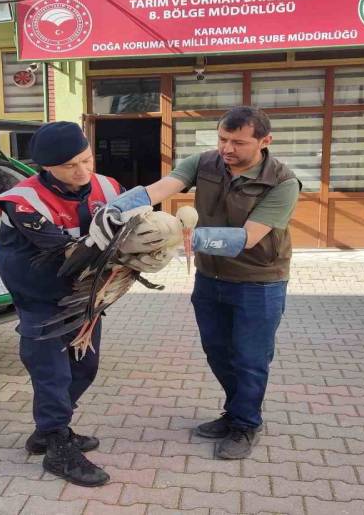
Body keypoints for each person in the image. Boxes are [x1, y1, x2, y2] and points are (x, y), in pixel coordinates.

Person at [94, 106, 300, 459]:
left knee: (249, 358)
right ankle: (234, 411)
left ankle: (246, 424)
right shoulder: (203, 163)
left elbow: (246, 239)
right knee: (218, 352)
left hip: (259, 282)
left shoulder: (282, 182)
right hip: (210, 279)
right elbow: (158, 190)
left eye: (238, 142)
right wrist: (112, 209)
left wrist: (173, 236)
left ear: (265, 141)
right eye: (222, 139)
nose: (227, 149)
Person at [0, 121, 130, 487]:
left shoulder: (108, 186)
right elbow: (69, 255)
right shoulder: (23, 202)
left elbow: (135, 222)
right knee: (52, 371)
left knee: (85, 366)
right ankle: (57, 445)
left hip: (84, 296)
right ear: (46, 168)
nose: (83, 172)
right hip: (40, 296)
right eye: (71, 166)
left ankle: (49, 429)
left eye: (87, 160)